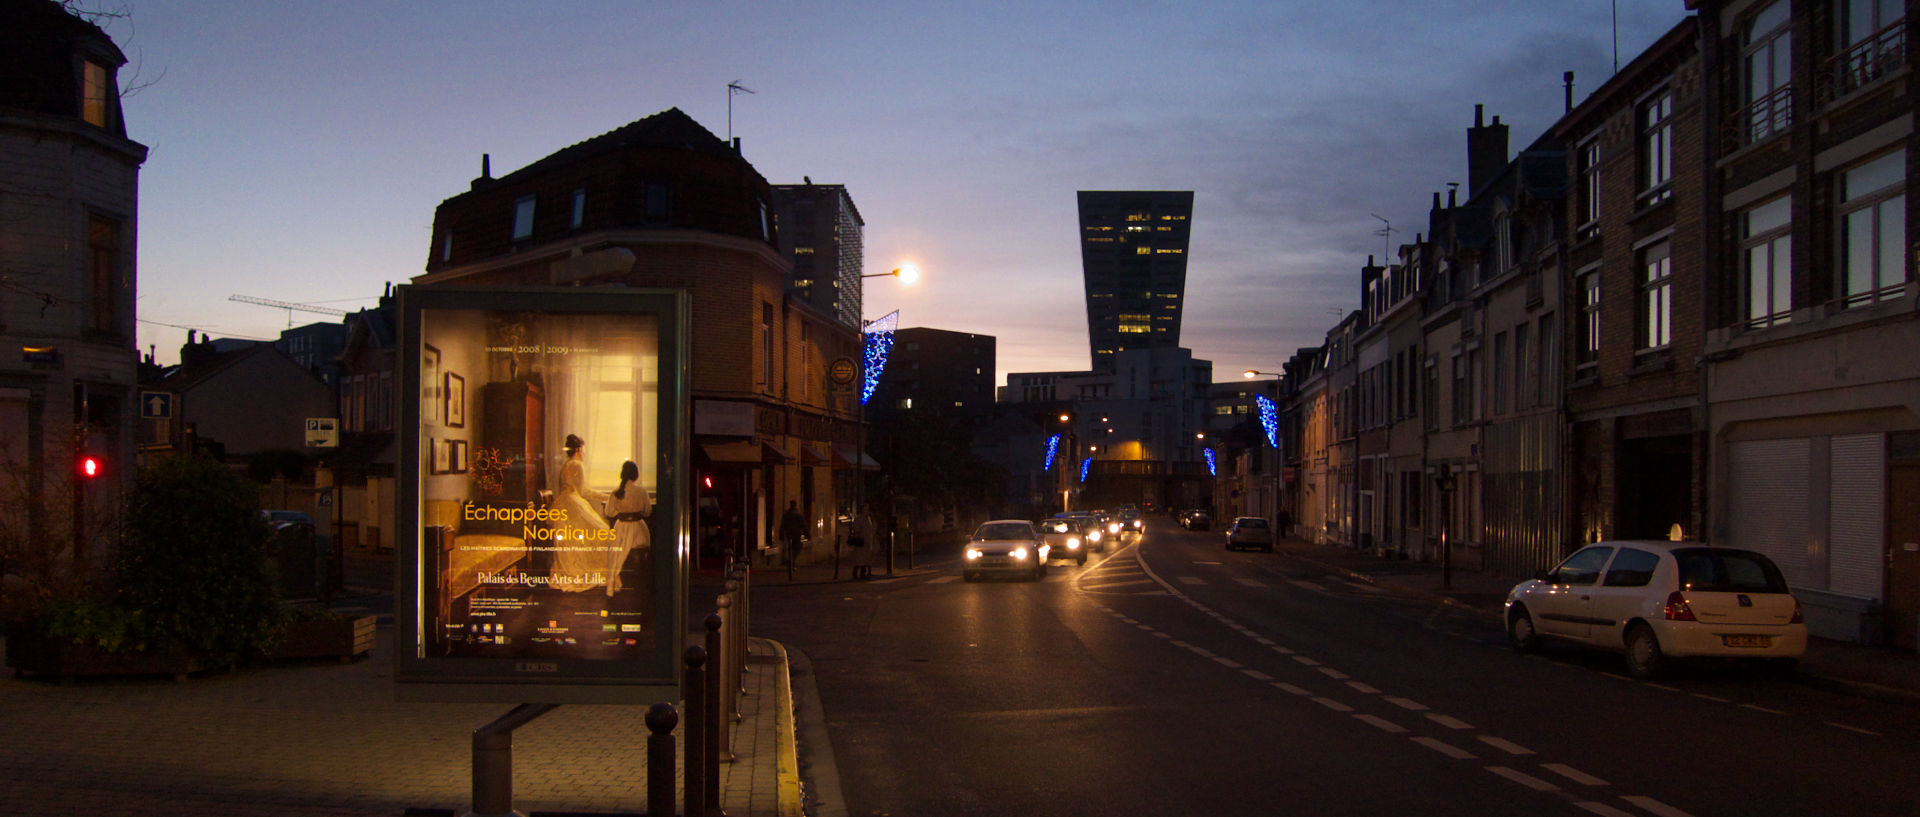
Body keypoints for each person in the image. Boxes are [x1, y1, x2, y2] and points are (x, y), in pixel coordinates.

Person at [550, 433, 610, 591]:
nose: (584, 453)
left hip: (563, 503)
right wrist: (607, 496)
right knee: (602, 531)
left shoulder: (567, 465)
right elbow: (584, 492)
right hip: (572, 504)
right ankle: (589, 569)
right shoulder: (577, 465)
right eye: (583, 450)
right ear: (578, 450)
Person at [602, 460, 651, 597]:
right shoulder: (642, 492)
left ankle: (613, 579)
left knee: (615, 550)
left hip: (621, 528)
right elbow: (648, 512)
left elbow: (609, 512)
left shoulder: (616, 492)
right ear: (636, 475)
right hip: (638, 531)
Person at [848, 509, 875, 580]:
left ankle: (863, 573)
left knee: (865, 559)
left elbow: (871, 530)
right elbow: (856, 529)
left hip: (866, 542)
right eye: (866, 509)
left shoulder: (868, 519)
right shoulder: (859, 519)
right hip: (861, 541)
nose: (868, 511)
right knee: (859, 560)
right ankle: (856, 574)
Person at [778, 500, 806, 569]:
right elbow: (803, 524)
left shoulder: (786, 514)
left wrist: (781, 534)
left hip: (789, 533)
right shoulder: (797, 514)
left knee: (791, 548)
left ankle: (791, 562)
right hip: (796, 534)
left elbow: (783, 525)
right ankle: (791, 561)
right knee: (797, 548)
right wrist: (807, 533)